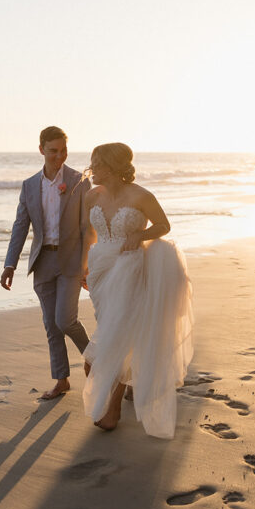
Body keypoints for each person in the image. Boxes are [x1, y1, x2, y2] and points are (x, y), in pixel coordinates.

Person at [81, 142, 193, 438]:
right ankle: (124, 387)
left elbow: (163, 225)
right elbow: (89, 233)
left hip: (129, 268)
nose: (91, 170)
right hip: (100, 271)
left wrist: (140, 235)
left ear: (114, 167)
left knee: (115, 338)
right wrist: (84, 266)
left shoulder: (142, 196)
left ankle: (114, 409)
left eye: (97, 164)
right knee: (111, 331)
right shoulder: (91, 196)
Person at [1, 126, 91, 401]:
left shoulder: (79, 182)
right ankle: (61, 380)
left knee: (65, 320)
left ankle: (95, 359)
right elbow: (20, 226)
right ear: (41, 149)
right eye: (53, 151)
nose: (59, 156)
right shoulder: (29, 185)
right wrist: (10, 265)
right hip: (42, 261)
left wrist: (86, 264)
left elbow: (87, 228)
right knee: (51, 326)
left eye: (63, 150)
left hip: (71, 260)